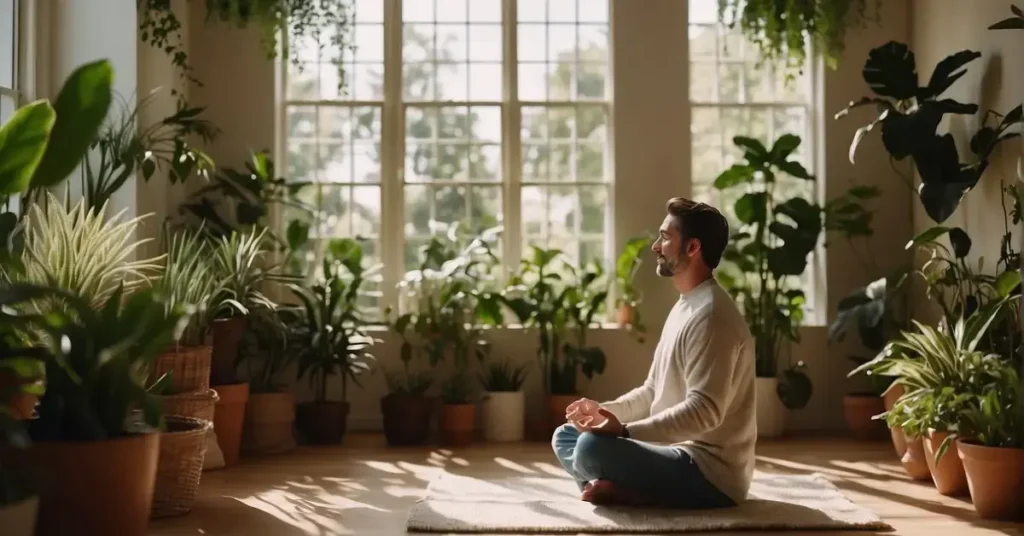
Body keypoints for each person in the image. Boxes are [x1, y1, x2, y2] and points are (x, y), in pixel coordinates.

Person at [551, 197, 756, 510]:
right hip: (669, 453)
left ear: (692, 248)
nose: (655, 247)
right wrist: (604, 413)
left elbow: (705, 412)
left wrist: (625, 431)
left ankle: (631, 493)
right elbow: (651, 392)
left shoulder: (713, 316)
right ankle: (615, 488)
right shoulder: (686, 305)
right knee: (567, 435)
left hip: (708, 473)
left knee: (591, 448)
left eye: (665, 237)